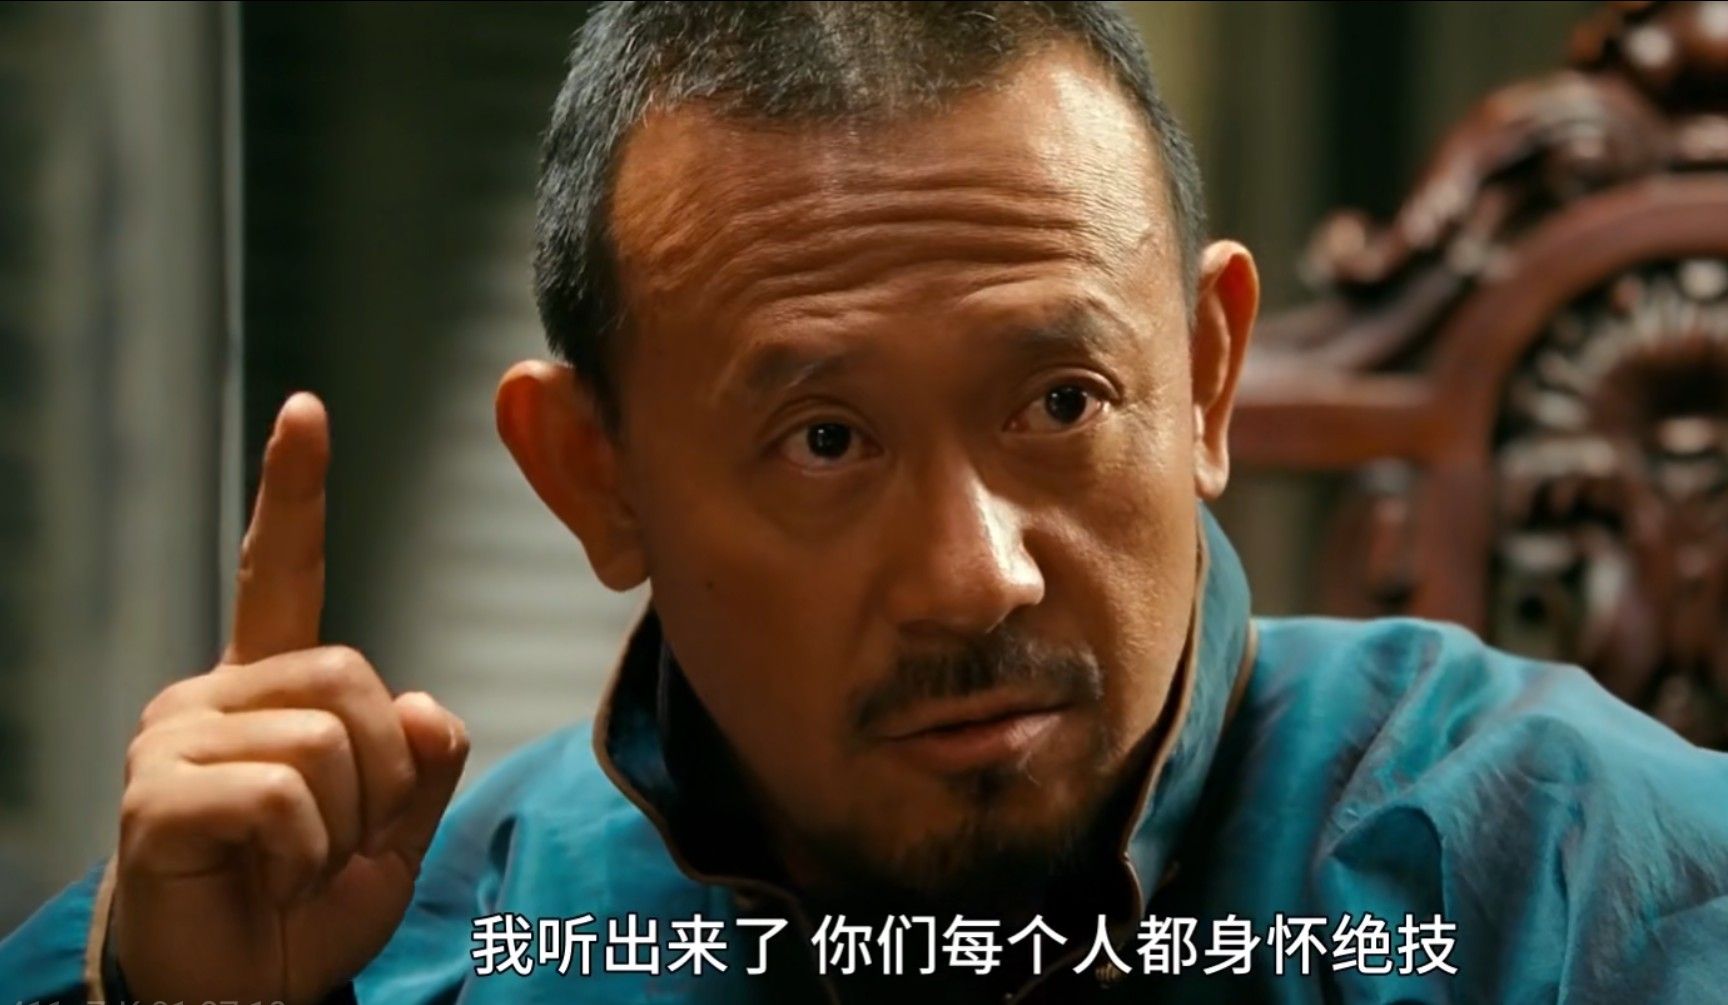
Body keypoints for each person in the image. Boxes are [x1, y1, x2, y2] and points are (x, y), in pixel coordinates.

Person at [4, 3, 1726, 1002]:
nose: (976, 576)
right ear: (594, 475)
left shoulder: (1558, 869)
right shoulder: (349, 940)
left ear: (1204, 375)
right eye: (826, 440)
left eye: (1062, 403)